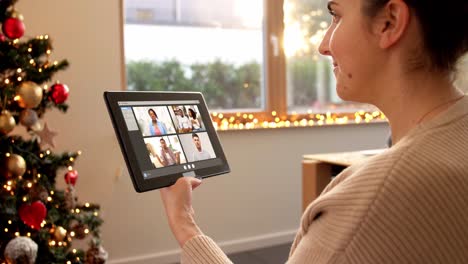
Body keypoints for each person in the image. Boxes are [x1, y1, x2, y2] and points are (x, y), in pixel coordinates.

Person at [160, 0, 468, 262]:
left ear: (390, 22)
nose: (323, 45)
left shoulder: (375, 198)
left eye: (336, 15)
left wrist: (185, 224)